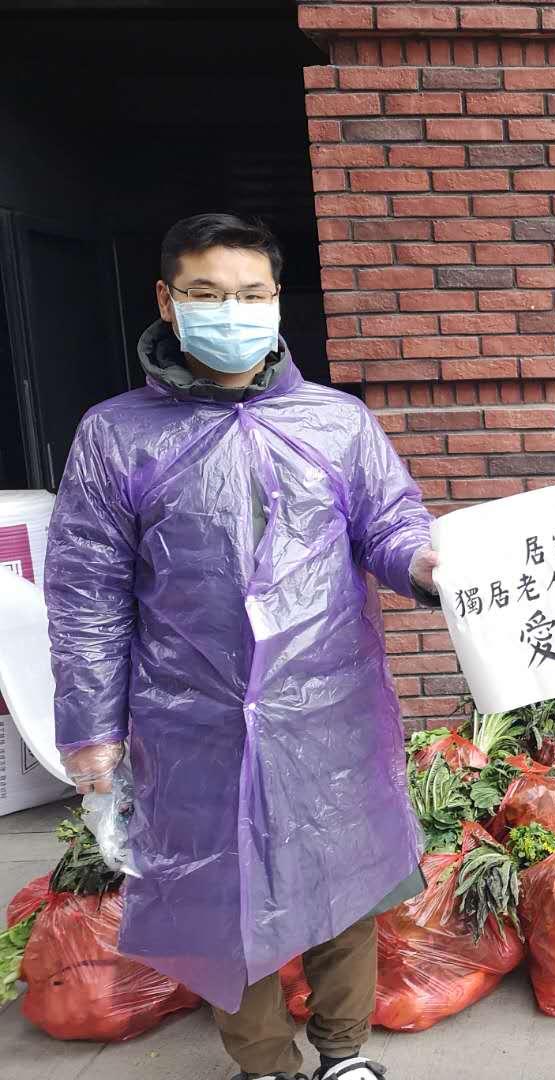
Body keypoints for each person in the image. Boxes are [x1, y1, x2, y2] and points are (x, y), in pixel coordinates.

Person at [45, 213, 440, 1080]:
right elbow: (87, 593)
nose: (233, 312)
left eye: (252, 294)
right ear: (168, 300)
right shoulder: (117, 435)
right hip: (191, 717)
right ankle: (265, 1065)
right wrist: (93, 735)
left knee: (346, 877)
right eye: (209, 294)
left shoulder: (336, 423)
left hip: (328, 702)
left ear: (277, 301)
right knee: (220, 894)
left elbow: (389, 522)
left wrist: (424, 563)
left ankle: (344, 1055)